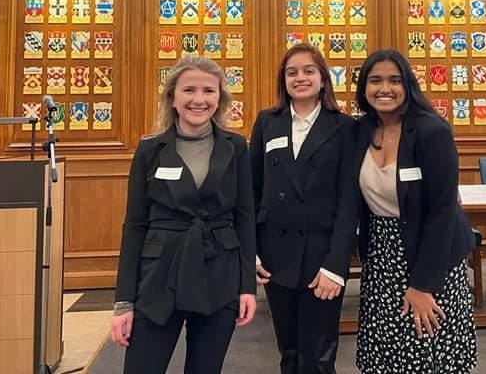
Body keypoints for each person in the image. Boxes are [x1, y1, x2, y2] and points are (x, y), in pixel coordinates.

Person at [111, 56, 256, 374]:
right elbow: (134, 225)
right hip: (159, 276)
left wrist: (247, 287)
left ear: (220, 99)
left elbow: (245, 218)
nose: (199, 99)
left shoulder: (236, 147)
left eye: (209, 91)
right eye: (189, 89)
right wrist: (124, 301)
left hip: (219, 273)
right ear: (173, 97)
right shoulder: (149, 150)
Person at [353, 49, 477, 374]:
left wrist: (423, 285)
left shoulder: (431, 131)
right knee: (384, 351)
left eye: (395, 80)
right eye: (375, 80)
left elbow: (443, 212)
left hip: (430, 256)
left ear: (408, 85)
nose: (385, 88)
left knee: (429, 350)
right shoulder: (359, 132)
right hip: (382, 257)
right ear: (363, 88)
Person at [250, 43, 357, 374]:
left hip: (321, 257)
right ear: (283, 80)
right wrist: (251, 253)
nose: (300, 78)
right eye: (292, 72)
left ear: (323, 79)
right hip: (275, 254)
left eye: (309, 71)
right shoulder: (267, 122)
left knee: (318, 355)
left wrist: (336, 266)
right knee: (289, 352)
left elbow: (349, 202)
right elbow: (252, 191)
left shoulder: (344, 127)